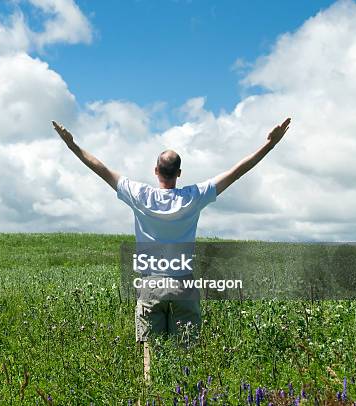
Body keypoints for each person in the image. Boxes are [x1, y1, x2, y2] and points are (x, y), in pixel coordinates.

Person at [51, 117, 291, 381]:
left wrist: (72, 145)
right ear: (179, 173)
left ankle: (151, 394)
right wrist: (268, 145)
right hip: (183, 286)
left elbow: (101, 169)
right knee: (185, 361)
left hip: (150, 287)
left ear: (156, 170)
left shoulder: (139, 194)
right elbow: (235, 172)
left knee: (150, 363)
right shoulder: (193, 196)